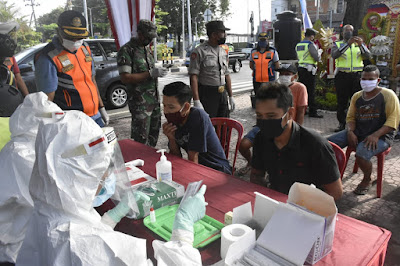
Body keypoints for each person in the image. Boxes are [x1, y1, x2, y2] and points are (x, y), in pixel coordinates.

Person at [16, 110, 207, 265]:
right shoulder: (94, 249)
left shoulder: (46, 212)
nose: (108, 176)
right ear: (80, 178)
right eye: (103, 170)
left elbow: (82, 231)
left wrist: (112, 216)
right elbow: (89, 245)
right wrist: (183, 229)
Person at [249, 83, 343, 200]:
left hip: (308, 207)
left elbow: (336, 192)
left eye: (271, 116)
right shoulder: (261, 139)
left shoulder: (315, 145)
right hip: (275, 203)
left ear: (290, 113)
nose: (264, 121)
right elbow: (256, 175)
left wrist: (301, 207)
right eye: (259, 116)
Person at [0, 92, 62, 263]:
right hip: (11, 249)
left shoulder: (30, 147)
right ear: (39, 125)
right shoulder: (20, 155)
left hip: (23, 235)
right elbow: (53, 197)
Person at [328, 65, 400, 195]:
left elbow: (393, 121)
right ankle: (330, 175)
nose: (367, 82)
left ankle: (367, 179)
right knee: (326, 145)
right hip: (358, 131)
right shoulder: (357, 96)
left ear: (378, 80)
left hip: (382, 135)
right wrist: (350, 131)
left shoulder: (388, 95)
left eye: (370, 79)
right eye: (364, 79)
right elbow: (350, 117)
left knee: (361, 154)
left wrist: (376, 135)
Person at [34, 10, 109, 127]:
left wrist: (101, 107)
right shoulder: (48, 57)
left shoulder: (85, 49)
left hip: (96, 116)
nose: (75, 42)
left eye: (79, 37)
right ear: (59, 32)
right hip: (72, 123)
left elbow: (92, 80)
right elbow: (47, 100)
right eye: (71, 37)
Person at [236, 64, 308, 177]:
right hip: (264, 125)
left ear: (294, 76)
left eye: (287, 74)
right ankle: (251, 163)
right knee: (243, 145)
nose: (284, 76)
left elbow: (301, 111)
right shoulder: (274, 87)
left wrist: (297, 131)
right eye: (282, 74)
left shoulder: (300, 88)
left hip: (285, 126)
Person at [162, 81, 232, 175]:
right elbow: (176, 156)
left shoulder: (197, 116)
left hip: (216, 169)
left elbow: (193, 158)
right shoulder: (175, 119)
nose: (166, 111)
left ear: (186, 107)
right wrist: (171, 138)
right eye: (164, 105)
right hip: (198, 167)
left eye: (171, 107)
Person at [117, 19, 167, 147]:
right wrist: (150, 74)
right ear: (139, 33)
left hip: (154, 102)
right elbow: (125, 77)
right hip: (140, 104)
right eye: (148, 36)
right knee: (141, 140)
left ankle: (150, 163)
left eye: (152, 37)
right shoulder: (127, 50)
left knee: (153, 137)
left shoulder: (146, 50)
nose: (150, 40)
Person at [189, 20, 235, 118]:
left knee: (224, 123)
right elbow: (193, 77)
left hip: (222, 93)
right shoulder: (199, 51)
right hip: (207, 94)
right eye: (223, 33)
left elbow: (226, 74)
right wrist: (196, 100)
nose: (225, 35)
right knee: (209, 125)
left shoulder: (222, 51)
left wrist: (230, 96)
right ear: (214, 34)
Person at [332, 24, 371, 132]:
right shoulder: (338, 44)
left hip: (356, 76)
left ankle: (358, 124)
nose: (348, 32)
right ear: (342, 33)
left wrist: (361, 45)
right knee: (342, 101)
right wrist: (347, 45)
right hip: (342, 75)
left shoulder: (359, 44)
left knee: (358, 101)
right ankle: (342, 124)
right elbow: (334, 55)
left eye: (350, 30)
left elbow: (368, 56)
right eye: (346, 30)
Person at [296, 28, 322, 118]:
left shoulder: (298, 45)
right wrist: (319, 54)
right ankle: (312, 111)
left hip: (301, 68)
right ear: (311, 36)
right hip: (309, 70)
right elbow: (316, 57)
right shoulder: (310, 44)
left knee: (302, 90)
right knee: (310, 91)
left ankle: (303, 110)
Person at [1, 22, 29, 98]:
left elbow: (18, 77)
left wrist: (28, 98)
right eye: (8, 39)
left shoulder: (10, 58)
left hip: (11, 98)